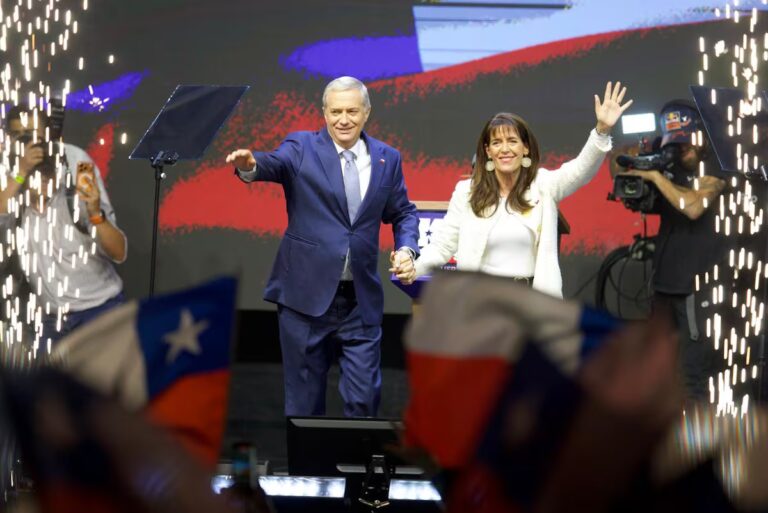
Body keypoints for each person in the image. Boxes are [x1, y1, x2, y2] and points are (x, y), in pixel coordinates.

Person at [226, 76, 419, 417]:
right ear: (324, 112)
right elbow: (273, 163)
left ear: (367, 113)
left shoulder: (388, 158)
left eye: (351, 111)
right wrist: (251, 166)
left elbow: (403, 212)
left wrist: (406, 249)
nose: (343, 119)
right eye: (336, 111)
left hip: (360, 300)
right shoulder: (301, 147)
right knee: (303, 405)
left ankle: (357, 472)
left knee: (363, 402)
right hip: (304, 299)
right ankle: (308, 472)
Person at [401, 81, 632, 298]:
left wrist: (601, 130)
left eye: (512, 141)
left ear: (526, 148)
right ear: (488, 151)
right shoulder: (466, 192)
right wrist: (414, 268)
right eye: (496, 143)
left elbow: (580, 170)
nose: (505, 149)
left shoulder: (544, 186)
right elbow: (443, 246)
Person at [621, 99, 727, 399]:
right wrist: (640, 173)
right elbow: (637, 189)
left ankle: (698, 446)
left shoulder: (717, 163)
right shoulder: (668, 164)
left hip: (698, 289)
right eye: (676, 145)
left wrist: (654, 176)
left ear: (702, 137)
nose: (683, 151)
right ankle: (666, 442)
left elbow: (694, 206)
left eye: (687, 144)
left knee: (693, 378)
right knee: (660, 373)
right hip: (664, 286)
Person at [0, 105, 127, 350]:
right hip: (49, 319)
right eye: (19, 136)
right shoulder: (10, 172)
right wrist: (20, 173)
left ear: (50, 134)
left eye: (33, 134)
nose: (28, 144)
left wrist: (95, 213)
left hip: (99, 311)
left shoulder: (75, 161)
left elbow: (118, 252)